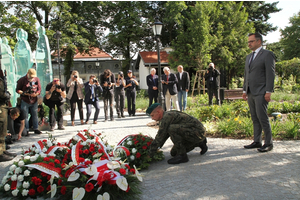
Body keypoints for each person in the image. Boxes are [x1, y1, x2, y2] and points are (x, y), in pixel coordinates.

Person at [243, 33, 275, 153]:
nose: (249, 44)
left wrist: (268, 91)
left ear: (259, 42)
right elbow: (247, 74)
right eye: (248, 42)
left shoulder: (267, 55)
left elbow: (270, 74)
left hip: (262, 91)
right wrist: (244, 90)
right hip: (250, 92)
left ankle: (269, 143)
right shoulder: (248, 57)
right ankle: (257, 141)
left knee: (262, 118)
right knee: (254, 118)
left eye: (251, 41)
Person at [16, 68, 42, 135]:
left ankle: (36, 128)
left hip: (34, 100)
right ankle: (26, 130)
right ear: (28, 74)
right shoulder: (22, 80)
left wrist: (36, 94)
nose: (33, 78)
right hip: (25, 100)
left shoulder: (37, 79)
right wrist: (24, 93)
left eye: (34, 76)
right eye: (31, 76)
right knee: (25, 116)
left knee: (35, 115)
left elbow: (39, 89)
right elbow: (17, 90)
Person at [0, 70, 17, 162]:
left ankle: (2, 150)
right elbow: (1, 93)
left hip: (2, 106)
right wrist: (6, 95)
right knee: (1, 129)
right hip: (0, 106)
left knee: (3, 131)